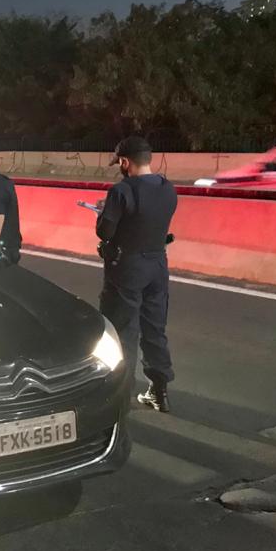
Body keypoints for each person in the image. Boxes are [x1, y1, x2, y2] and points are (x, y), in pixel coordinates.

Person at [96, 136, 178, 412]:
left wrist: (102, 213)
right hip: (157, 265)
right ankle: (159, 390)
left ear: (125, 161)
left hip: (128, 266)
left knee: (123, 330)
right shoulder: (168, 189)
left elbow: (105, 231)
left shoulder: (122, 191)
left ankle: (121, 393)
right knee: (155, 328)